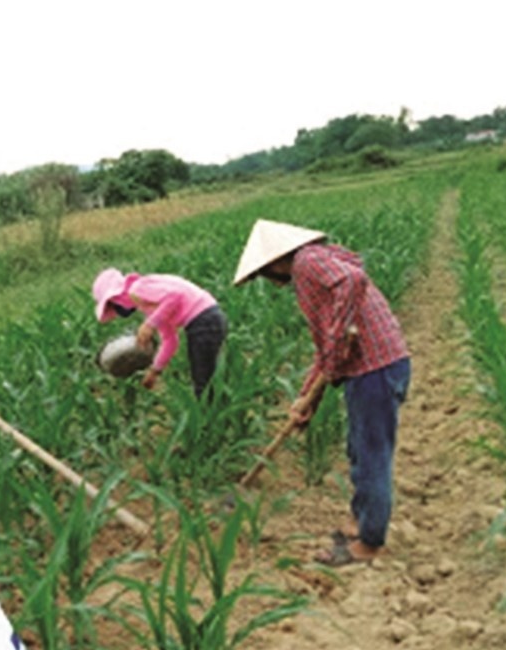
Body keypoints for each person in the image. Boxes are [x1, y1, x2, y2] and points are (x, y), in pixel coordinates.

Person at [233, 219, 411, 566]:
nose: (270, 283)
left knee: (371, 456)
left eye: (264, 274)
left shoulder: (307, 261)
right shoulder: (312, 270)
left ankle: (370, 543)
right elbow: (326, 348)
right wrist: (306, 399)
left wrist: (341, 328)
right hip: (371, 370)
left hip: (376, 369)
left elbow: (353, 281)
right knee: (358, 452)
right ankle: (362, 521)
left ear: (274, 263)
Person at [90, 268, 228, 398]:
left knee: (202, 380)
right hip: (207, 320)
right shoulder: (149, 306)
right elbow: (170, 340)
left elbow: (175, 296)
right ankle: (213, 411)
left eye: (113, 305)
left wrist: (150, 324)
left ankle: (209, 417)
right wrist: (154, 370)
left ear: (117, 297)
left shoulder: (138, 288)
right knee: (205, 375)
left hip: (204, 320)